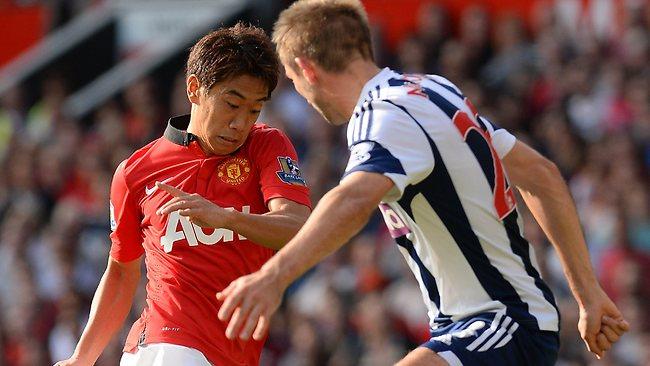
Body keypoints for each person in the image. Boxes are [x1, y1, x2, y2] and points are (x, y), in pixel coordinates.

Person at [215, 1, 630, 365]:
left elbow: (353, 198)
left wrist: (273, 276)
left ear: (305, 68)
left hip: (500, 319)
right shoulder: (433, 91)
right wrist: (587, 294)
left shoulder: (384, 115)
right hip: (484, 325)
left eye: (292, 79)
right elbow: (541, 175)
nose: (302, 95)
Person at [54, 23, 311, 366]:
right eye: (231, 104)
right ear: (195, 89)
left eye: (254, 110)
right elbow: (120, 272)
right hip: (166, 345)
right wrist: (81, 358)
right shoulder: (135, 172)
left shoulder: (267, 146)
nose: (240, 123)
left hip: (233, 355)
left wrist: (226, 217)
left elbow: (297, 227)